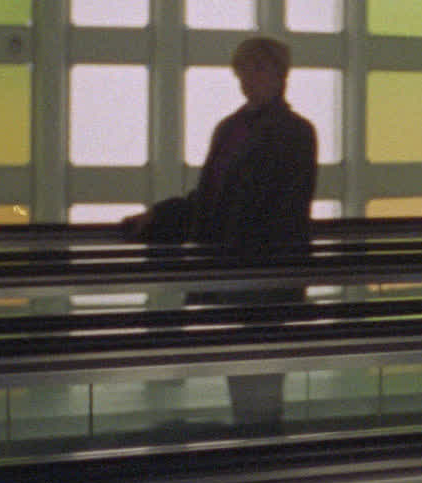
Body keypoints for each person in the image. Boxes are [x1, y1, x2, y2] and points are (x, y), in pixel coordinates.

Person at [124, 35, 317, 432]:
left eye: (258, 68)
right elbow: (211, 198)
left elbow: (279, 208)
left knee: (259, 376)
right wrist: (160, 216)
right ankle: (259, 455)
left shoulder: (294, 133)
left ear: (280, 75)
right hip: (239, 278)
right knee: (247, 376)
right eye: (243, 69)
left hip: (264, 282)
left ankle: (262, 455)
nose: (248, 78)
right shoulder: (232, 128)